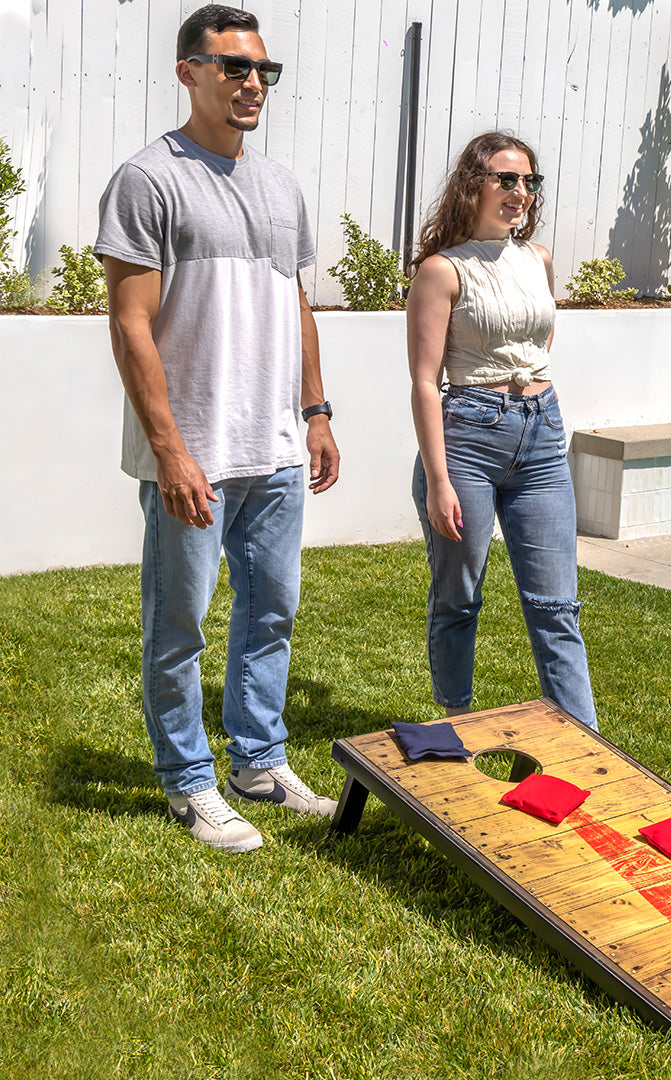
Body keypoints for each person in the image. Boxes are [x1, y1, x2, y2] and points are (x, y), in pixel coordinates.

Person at [94, 4, 340, 852]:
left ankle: (258, 761)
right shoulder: (148, 179)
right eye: (233, 66)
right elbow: (131, 325)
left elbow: (297, 304)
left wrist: (315, 410)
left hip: (273, 444)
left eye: (263, 71)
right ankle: (188, 781)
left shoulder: (279, 186)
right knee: (180, 623)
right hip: (193, 450)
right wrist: (168, 450)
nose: (251, 84)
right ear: (187, 71)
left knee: (271, 610)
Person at [407, 131, 598, 730]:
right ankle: (456, 724)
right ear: (474, 185)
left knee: (556, 604)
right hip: (468, 437)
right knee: (460, 595)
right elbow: (423, 381)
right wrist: (438, 480)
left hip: (541, 435)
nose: (521, 192)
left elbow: (538, 338)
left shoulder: (536, 258)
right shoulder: (441, 271)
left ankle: (586, 744)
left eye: (529, 181)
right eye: (506, 179)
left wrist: (530, 389)